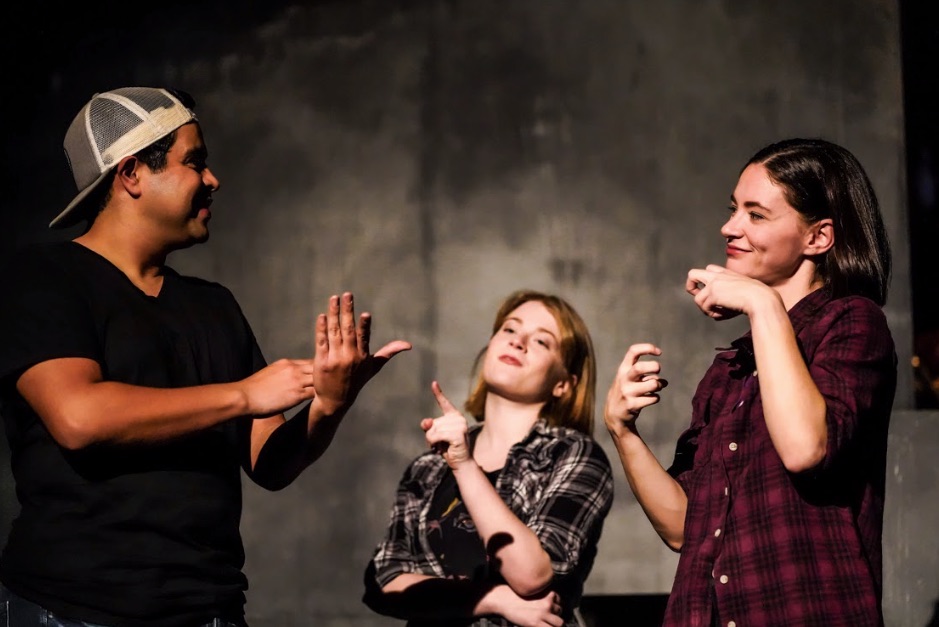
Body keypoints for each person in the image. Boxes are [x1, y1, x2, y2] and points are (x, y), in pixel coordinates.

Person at [0, 87, 411, 626]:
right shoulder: (44, 280)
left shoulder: (212, 306)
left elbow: (270, 463)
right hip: (76, 610)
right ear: (131, 175)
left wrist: (328, 406)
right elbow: (79, 417)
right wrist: (243, 394)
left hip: (209, 609)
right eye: (195, 162)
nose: (212, 179)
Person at [604, 138, 897, 627]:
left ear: (818, 238)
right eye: (733, 209)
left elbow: (806, 448)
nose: (729, 227)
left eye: (756, 215)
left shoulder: (851, 324)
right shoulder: (732, 367)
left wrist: (763, 304)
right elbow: (683, 528)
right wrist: (622, 431)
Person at [364, 290, 614, 627]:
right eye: (509, 329)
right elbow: (384, 581)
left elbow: (531, 575)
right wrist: (493, 599)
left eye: (542, 341)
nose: (518, 342)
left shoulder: (574, 455)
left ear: (564, 385)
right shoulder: (427, 468)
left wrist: (464, 465)